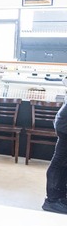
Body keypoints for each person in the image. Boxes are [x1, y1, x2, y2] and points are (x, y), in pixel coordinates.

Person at [43, 77, 67, 214]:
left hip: (63, 123)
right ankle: (52, 200)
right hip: (65, 126)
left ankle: (61, 197)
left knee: (63, 163)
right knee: (59, 163)